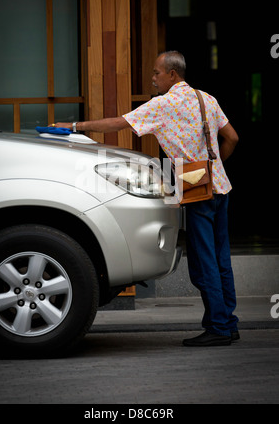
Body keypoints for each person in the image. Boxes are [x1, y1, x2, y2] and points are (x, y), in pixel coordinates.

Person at [55, 50, 239, 346]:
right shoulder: (207, 99)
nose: (153, 79)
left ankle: (218, 327)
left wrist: (75, 127)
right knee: (221, 258)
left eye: (156, 73)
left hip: (196, 188)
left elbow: (118, 123)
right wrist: (215, 167)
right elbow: (232, 138)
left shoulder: (163, 105)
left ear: (172, 75)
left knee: (204, 261)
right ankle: (229, 323)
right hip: (220, 185)